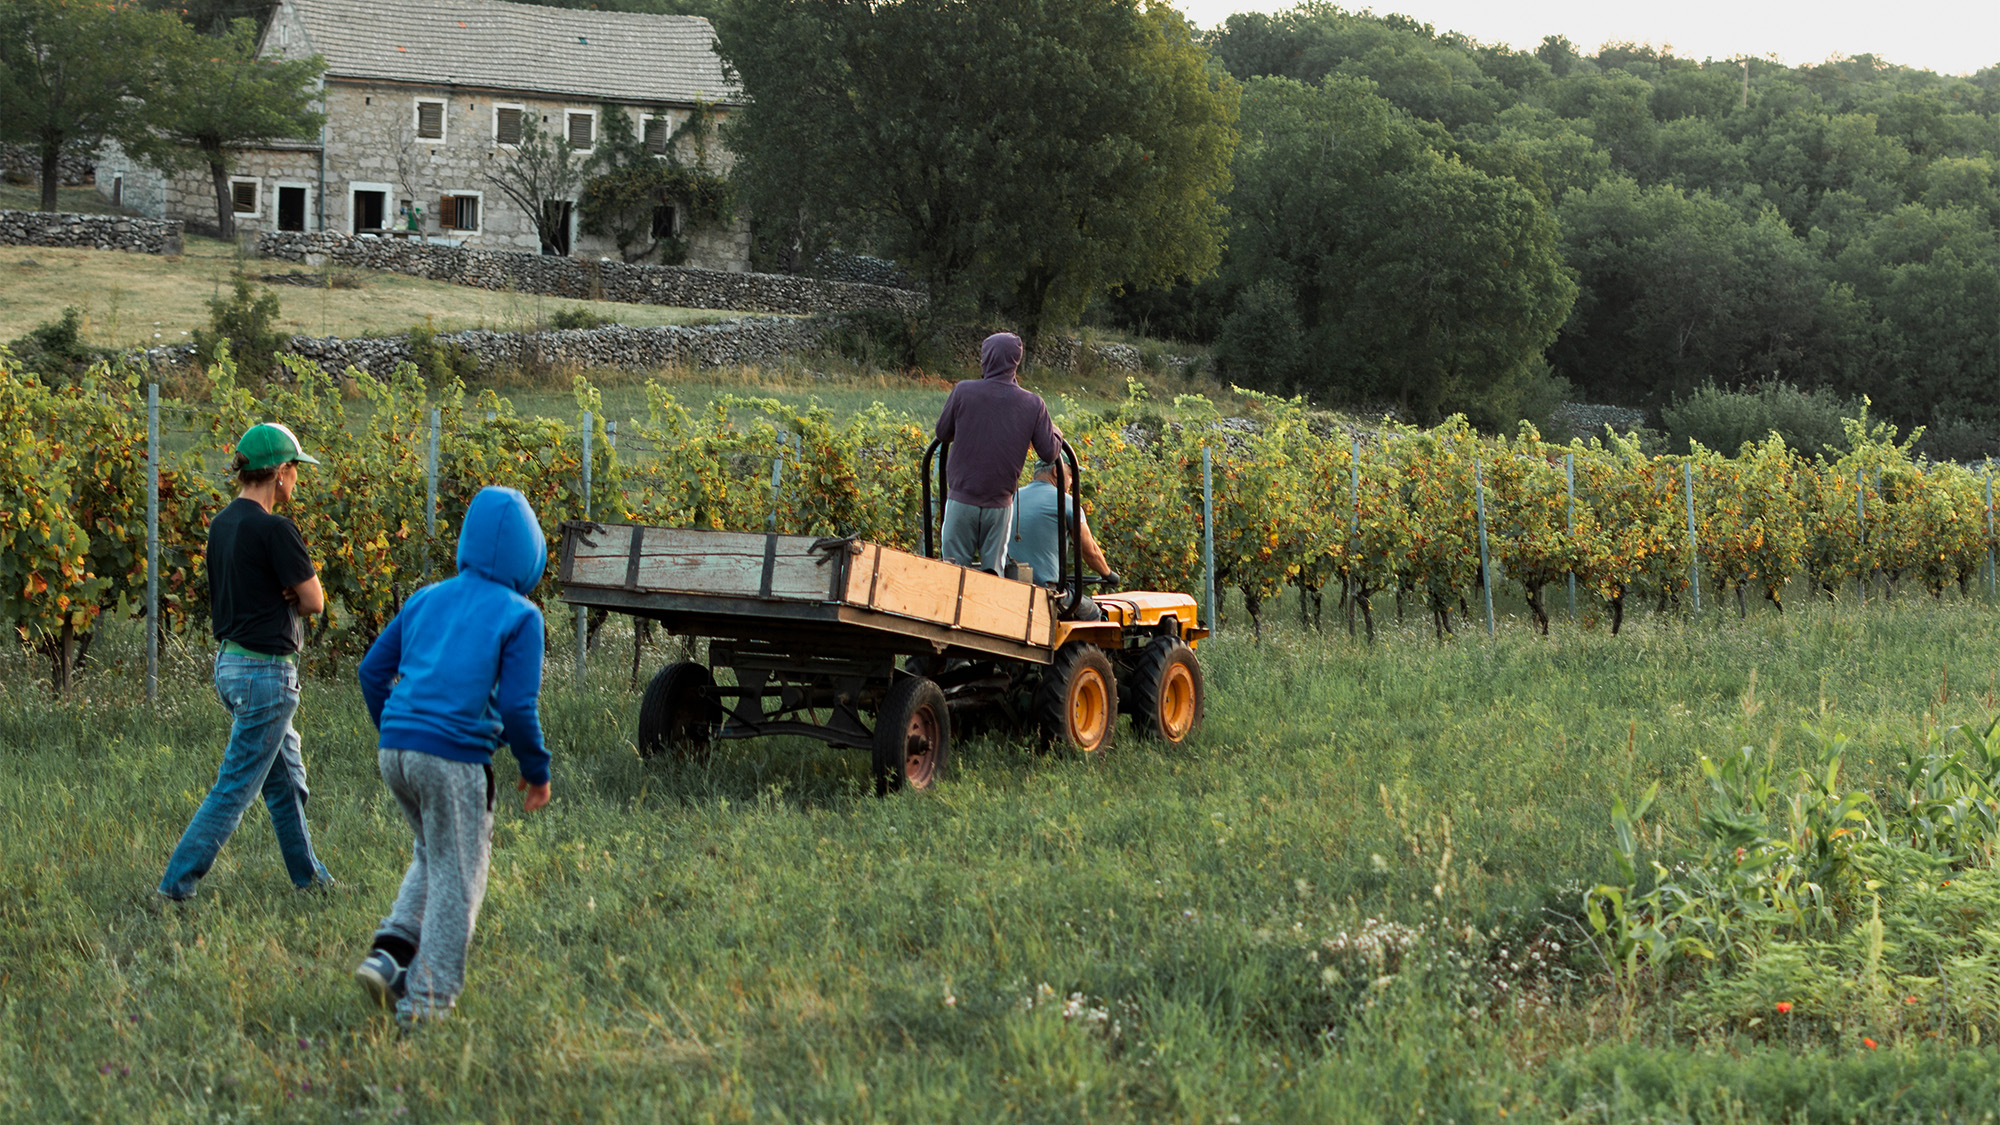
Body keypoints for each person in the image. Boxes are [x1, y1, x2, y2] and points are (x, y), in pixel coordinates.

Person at [352, 485, 551, 1026]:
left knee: (432, 850)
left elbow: (371, 672)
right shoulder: (521, 615)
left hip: (395, 750)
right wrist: (537, 771)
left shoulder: (426, 597)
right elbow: (516, 704)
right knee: (461, 876)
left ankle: (390, 954)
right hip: (453, 761)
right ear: (529, 555)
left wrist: (400, 729)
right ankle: (427, 1003)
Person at [159, 423, 333, 901]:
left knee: (286, 784)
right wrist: (292, 600)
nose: (296, 481)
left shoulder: (222, 524)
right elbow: (315, 600)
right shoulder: (277, 529)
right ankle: (175, 887)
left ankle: (311, 880)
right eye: (295, 470)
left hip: (230, 664)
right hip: (266, 675)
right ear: (279, 473)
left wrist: (282, 597)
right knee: (235, 788)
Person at [934, 331, 1059, 573]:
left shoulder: (963, 391)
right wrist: (1056, 433)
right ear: (1015, 361)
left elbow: (942, 432)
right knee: (993, 575)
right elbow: (1050, 452)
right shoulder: (1033, 404)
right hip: (999, 505)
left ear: (986, 358)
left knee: (952, 572)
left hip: (961, 499)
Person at [1012, 457, 1119, 621]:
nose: (1071, 483)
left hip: (1011, 586)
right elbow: (1091, 553)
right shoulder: (1067, 503)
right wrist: (1109, 574)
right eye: (1071, 476)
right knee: (1095, 614)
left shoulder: (1012, 498)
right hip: (1046, 593)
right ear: (1056, 471)